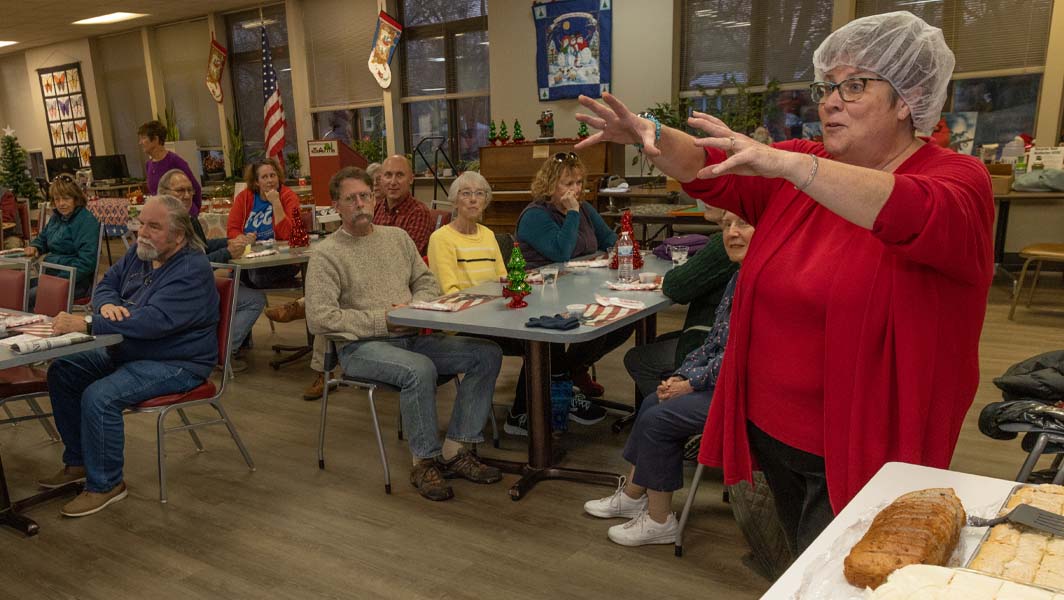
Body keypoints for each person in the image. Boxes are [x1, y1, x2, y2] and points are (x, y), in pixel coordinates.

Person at [574, 11, 994, 553]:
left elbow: (911, 212)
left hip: (865, 439)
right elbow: (706, 164)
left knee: (843, 572)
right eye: (827, 87)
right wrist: (650, 136)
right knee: (795, 558)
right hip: (771, 429)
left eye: (854, 86)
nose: (830, 101)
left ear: (907, 99)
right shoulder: (799, 164)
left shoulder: (955, 180)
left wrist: (792, 167)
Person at [305, 166, 504, 502]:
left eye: (365, 196)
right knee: (419, 369)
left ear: (374, 197)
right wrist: (386, 320)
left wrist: (414, 306)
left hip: (410, 336)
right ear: (336, 206)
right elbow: (320, 319)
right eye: (350, 199)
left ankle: (455, 450)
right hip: (360, 348)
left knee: (486, 353)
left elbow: (427, 282)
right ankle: (424, 461)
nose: (360, 204)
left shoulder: (397, 238)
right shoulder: (326, 253)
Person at [40, 195, 219, 517]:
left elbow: (153, 321)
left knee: (100, 396)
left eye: (154, 226)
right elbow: (106, 284)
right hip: (127, 349)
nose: (142, 234)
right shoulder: (141, 254)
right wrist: (106, 304)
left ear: (179, 234)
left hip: (177, 362)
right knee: (63, 369)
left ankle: (107, 484)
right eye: (140, 224)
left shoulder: (192, 268)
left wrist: (91, 321)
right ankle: (79, 461)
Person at [584, 211, 751, 546]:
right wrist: (684, 376)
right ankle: (633, 495)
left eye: (742, 224)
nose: (731, 233)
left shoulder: (759, 281)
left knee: (661, 417)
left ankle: (660, 521)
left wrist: (690, 384)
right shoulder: (741, 276)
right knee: (653, 399)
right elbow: (717, 342)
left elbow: (740, 357)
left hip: (748, 392)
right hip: (724, 378)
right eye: (726, 226)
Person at [511, 152, 630, 425]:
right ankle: (558, 389)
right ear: (550, 185)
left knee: (621, 322)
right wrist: (573, 212)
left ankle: (570, 372)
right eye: (567, 183)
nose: (575, 189)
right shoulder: (536, 215)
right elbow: (561, 252)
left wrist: (618, 250)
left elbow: (609, 238)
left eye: (578, 182)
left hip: (579, 288)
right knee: (587, 325)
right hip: (541, 298)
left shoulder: (586, 210)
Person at [622, 202, 738, 400]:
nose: (703, 200)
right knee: (657, 342)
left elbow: (676, 287)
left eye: (712, 194)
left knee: (638, 359)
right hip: (721, 337)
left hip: (714, 344)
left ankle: (669, 412)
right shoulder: (737, 238)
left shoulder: (725, 243)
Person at [158, 169, 261, 373]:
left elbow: (201, 247)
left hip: (195, 284)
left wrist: (229, 241)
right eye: (180, 190)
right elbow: (191, 265)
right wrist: (227, 251)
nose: (187, 195)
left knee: (241, 283)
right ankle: (221, 353)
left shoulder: (187, 218)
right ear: (164, 193)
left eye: (190, 190)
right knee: (254, 299)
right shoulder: (167, 227)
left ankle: (230, 344)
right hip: (187, 291)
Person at [23, 174, 100, 305]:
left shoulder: (86, 221)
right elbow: (43, 238)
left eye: (66, 199)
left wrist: (59, 280)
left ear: (76, 199)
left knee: (26, 297)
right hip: (53, 276)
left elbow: (87, 262)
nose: (61, 204)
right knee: (17, 288)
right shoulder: (56, 218)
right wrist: (35, 246)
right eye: (57, 199)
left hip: (76, 282)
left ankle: (32, 323)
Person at [426, 171, 507, 294]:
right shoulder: (441, 238)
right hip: (461, 309)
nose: (473, 199)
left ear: (485, 202)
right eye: (466, 193)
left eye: (479, 193)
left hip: (493, 306)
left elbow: (503, 280)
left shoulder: (489, 235)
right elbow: (449, 292)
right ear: (455, 201)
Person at [140, 120, 203, 216]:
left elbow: (195, 188)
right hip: (163, 216)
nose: (140, 142)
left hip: (181, 216)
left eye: (143, 138)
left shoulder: (174, 161)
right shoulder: (149, 164)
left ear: (156, 139)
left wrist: (194, 213)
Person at [374, 155, 432, 255]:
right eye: (388, 175)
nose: (393, 182)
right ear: (381, 179)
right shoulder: (376, 208)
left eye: (399, 175)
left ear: (411, 179)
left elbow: (406, 257)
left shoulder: (419, 213)